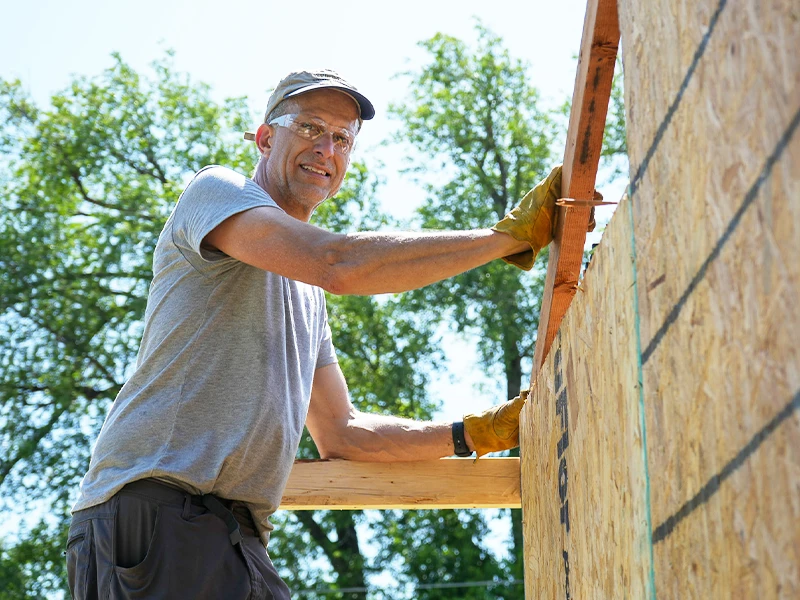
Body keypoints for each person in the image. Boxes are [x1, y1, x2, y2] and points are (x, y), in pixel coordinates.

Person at [65, 69, 571, 600]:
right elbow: (339, 261)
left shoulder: (305, 298)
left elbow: (344, 434)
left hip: (233, 535)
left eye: (342, 138)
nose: (325, 147)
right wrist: (503, 240)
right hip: (157, 513)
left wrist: (478, 433)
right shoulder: (215, 192)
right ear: (264, 138)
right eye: (308, 128)